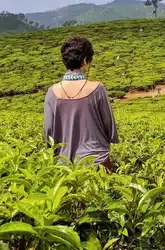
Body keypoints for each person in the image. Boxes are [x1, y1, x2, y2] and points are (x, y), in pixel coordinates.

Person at [44, 36, 118, 171]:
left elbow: (48, 131)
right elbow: (109, 126)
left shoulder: (51, 92)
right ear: (85, 61)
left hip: (64, 164)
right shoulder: (97, 88)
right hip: (97, 161)